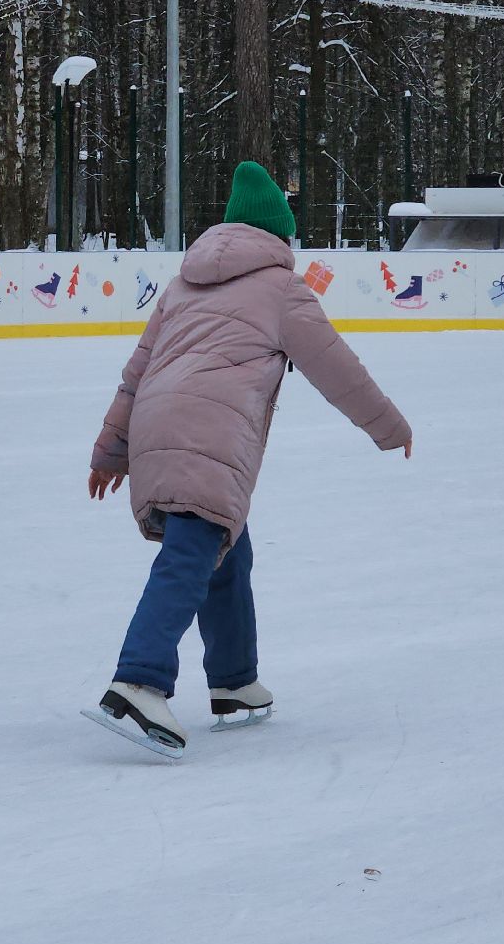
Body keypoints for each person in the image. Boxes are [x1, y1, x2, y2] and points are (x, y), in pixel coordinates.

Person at [85, 161, 414, 756]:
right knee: (193, 547)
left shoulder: (182, 284)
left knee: (225, 546)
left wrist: (112, 451)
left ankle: (234, 682)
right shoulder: (283, 288)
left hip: (156, 422)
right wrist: (389, 428)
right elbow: (337, 369)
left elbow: (135, 375)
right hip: (211, 432)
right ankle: (139, 679)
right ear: (280, 235)